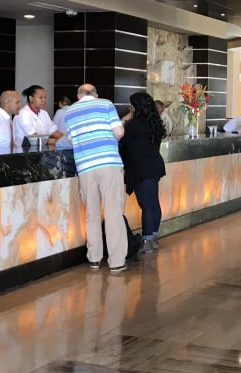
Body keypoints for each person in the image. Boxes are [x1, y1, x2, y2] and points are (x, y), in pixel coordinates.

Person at [61, 84, 128, 274]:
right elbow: (119, 132)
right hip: (108, 163)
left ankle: (94, 258)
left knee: (91, 213)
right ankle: (116, 262)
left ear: (78, 96)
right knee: (113, 212)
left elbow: (71, 139)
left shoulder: (69, 112)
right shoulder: (105, 104)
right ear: (96, 94)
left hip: (85, 166)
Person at [119, 92, 167, 256]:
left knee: (146, 206)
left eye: (132, 106)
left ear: (136, 107)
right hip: (154, 166)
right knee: (153, 203)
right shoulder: (155, 122)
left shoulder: (133, 125)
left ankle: (147, 241)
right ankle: (153, 237)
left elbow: (123, 144)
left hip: (140, 168)